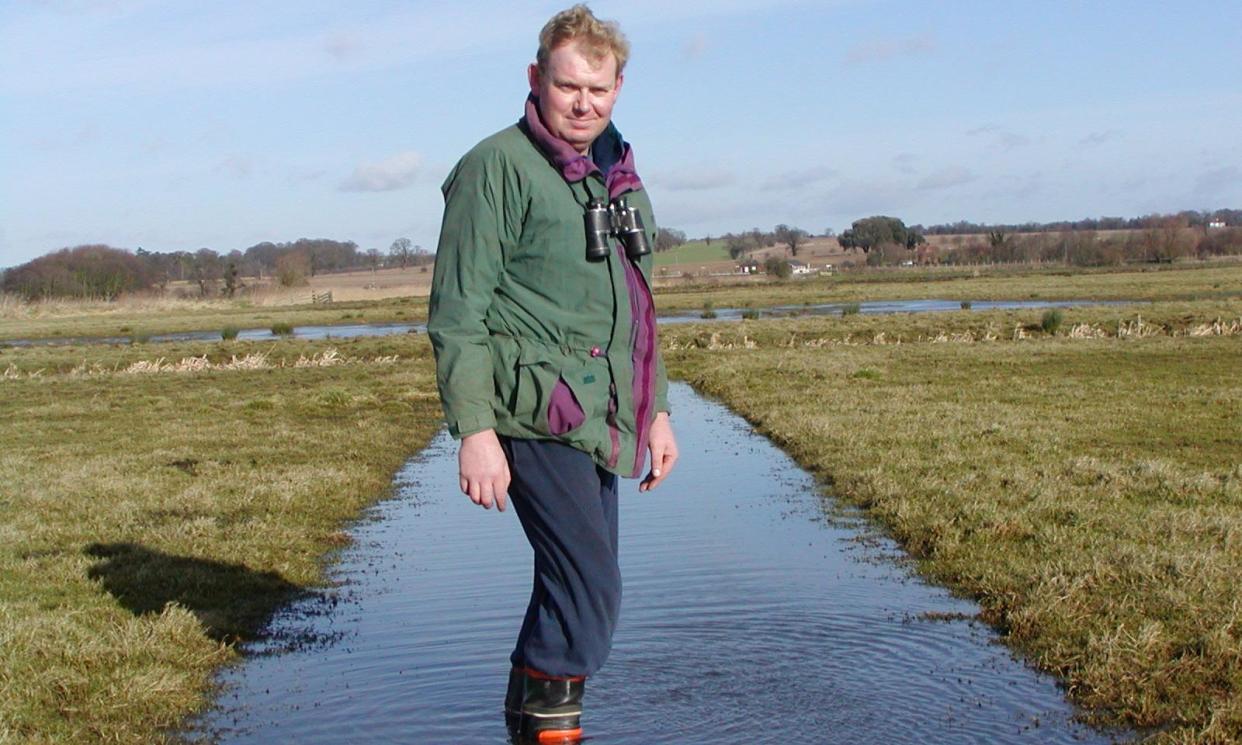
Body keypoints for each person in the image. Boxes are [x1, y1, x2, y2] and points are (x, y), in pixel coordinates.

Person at [427, 4, 678, 742]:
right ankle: (550, 730)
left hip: (598, 418)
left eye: (597, 92)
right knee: (589, 590)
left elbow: (640, 310)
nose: (582, 104)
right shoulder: (494, 168)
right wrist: (475, 431)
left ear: (618, 89)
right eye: (567, 86)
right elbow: (457, 313)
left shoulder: (618, 174)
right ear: (536, 79)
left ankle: (531, 722)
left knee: (571, 588)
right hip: (530, 413)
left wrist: (656, 410)